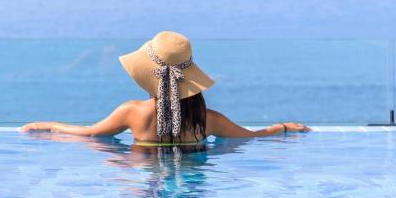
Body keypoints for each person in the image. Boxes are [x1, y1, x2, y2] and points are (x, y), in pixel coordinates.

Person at [20, 31, 309, 145]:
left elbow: (90, 134)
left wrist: (48, 125)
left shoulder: (132, 113)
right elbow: (251, 137)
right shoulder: (209, 120)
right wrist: (282, 127)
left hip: (143, 184)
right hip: (193, 191)